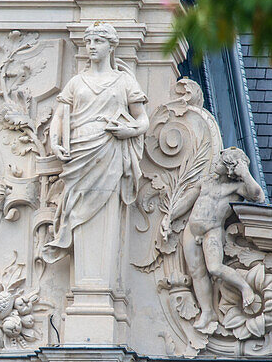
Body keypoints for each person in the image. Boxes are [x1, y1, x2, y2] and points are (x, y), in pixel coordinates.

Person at [44, 20, 148, 261]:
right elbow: (60, 116)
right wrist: (56, 141)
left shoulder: (124, 82)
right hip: (78, 151)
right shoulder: (76, 82)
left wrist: (129, 132)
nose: (91, 46)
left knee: (102, 207)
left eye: (98, 41)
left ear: (111, 46)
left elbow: (143, 120)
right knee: (74, 203)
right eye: (89, 41)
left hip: (109, 148)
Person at [160, 146, 265, 333]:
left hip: (212, 232)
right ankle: (208, 312)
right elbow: (186, 202)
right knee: (196, 272)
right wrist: (170, 218)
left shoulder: (236, 187)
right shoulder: (206, 182)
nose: (215, 164)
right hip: (192, 230)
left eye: (220, 162)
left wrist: (245, 173)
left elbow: (258, 196)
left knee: (215, 268)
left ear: (231, 168)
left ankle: (245, 288)